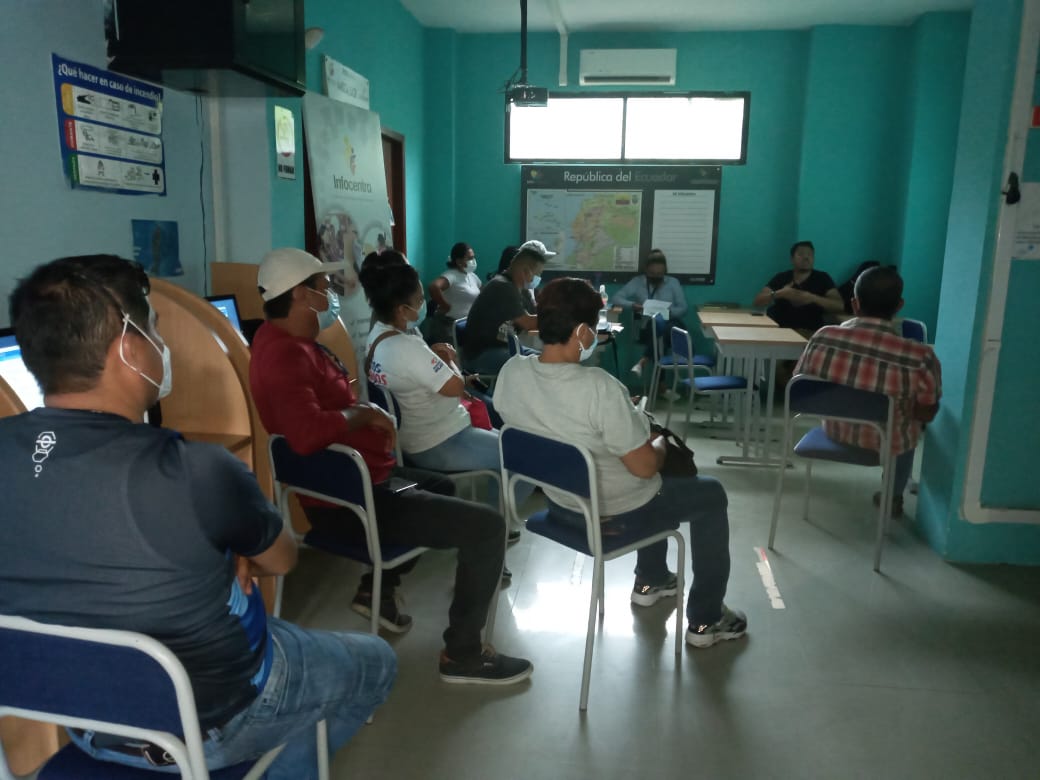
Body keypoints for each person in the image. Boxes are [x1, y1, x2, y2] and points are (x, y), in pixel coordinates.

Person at [0, 255, 395, 778]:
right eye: (154, 329)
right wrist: (231, 550)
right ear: (129, 348)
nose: (161, 345)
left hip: (84, 720)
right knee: (376, 663)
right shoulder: (196, 469)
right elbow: (281, 559)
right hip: (208, 723)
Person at [249, 247, 533, 685]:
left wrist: (360, 416)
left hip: (365, 481)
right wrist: (363, 414)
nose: (330, 296)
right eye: (323, 288)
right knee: (488, 528)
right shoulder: (286, 357)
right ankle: (463, 653)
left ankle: (376, 590)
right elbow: (305, 434)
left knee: (440, 487)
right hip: (355, 500)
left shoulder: (288, 344)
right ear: (301, 295)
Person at [494, 277, 748, 649]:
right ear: (583, 332)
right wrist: (657, 442)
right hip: (613, 516)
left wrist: (620, 421)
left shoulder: (512, 372)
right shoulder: (598, 386)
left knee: (638, 473)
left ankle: (652, 579)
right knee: (708, 493)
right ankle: (707, 619)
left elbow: (549, 419)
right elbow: (645, 468)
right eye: (593, 327)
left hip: (561, 505)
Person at [359, 261, 531, 534]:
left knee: (512, 444)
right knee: (527, 458)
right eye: (419, 300)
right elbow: (454, 386)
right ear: (402, 309)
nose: (424, 305)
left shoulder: (377, 337)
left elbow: (420, 374)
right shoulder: (406, 346)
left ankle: (493, 518)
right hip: (440, 440)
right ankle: (491, 527)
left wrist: (435, 358)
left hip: (424, 434)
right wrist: (449, 359)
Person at [794, 266, 941, 517]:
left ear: (855, 303)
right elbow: (926, 413)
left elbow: (799, 387)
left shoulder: (823, 337)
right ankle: (892, 496)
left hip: (834, 432)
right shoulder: (920, 356)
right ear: (899, 306)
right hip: (885, 445)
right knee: (909, 424)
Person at [460, 243, 546, 374]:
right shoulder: (502, 286)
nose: (538, 278)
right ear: (526, 271)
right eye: (538, 273)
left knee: (548, 361)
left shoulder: (520, 288)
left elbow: (534, 314)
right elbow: (528, 323)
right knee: (535, 369)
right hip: (482, 354)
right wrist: (563, 319)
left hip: (505, 348)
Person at [612, 249, 688, 381]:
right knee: (659, 329)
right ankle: (660, 383)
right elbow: (616, 298)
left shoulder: (673, 283)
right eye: (652, 274)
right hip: (647, 327)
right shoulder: (637, 282)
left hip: (670, 322)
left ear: (665, 272)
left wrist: (668, 312)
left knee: (664, 330)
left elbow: (683, 308)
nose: (656, 277)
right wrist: (633, 305)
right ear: (646, 270)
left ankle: (643, 361)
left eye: (659, 274)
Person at [752, 240, 844, 334]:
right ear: (792, 259)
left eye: (810, 255)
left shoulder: (822, 278)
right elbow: (757, 301)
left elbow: (839, 306)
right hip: (781, 331)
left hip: (811, 332)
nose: (806, 258)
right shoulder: (782, 277)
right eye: (801, 254)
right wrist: (780, 293)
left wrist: (812, 298)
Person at [427, 242, 482, 346]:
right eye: (469, 258)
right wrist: (445, 305)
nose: (473, 261)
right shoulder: (451, 275)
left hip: (466, 325)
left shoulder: (472, 276)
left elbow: (482, 292)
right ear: (459, 261)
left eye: (473, 257)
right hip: (449, 326)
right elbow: (433, 287)